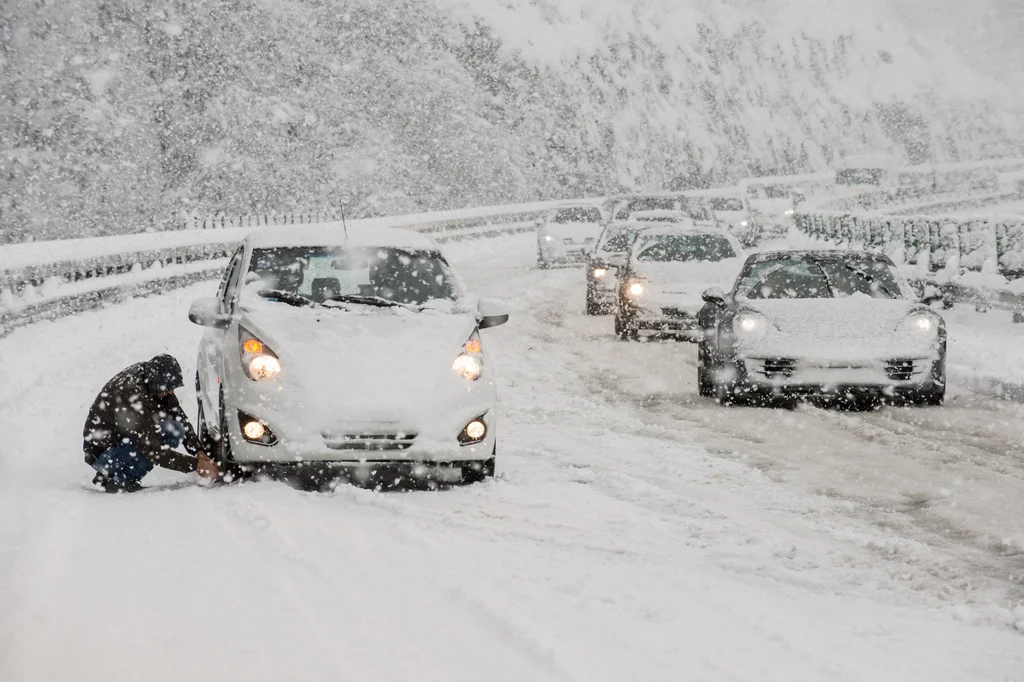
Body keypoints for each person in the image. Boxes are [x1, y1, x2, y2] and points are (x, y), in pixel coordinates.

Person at [83, 354, 221, 492]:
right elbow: (152, 450)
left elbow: (178, 416)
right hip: (102, 453)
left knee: (174, 429)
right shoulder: (132, 395)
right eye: (167, 389)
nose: (171, 392)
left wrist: (198, 451)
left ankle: (110, 476)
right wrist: (196, 465)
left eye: (172, 388)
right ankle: (121, 480)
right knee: (155, 440)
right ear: (156, 384)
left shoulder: (154, 378)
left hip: (121, 441)